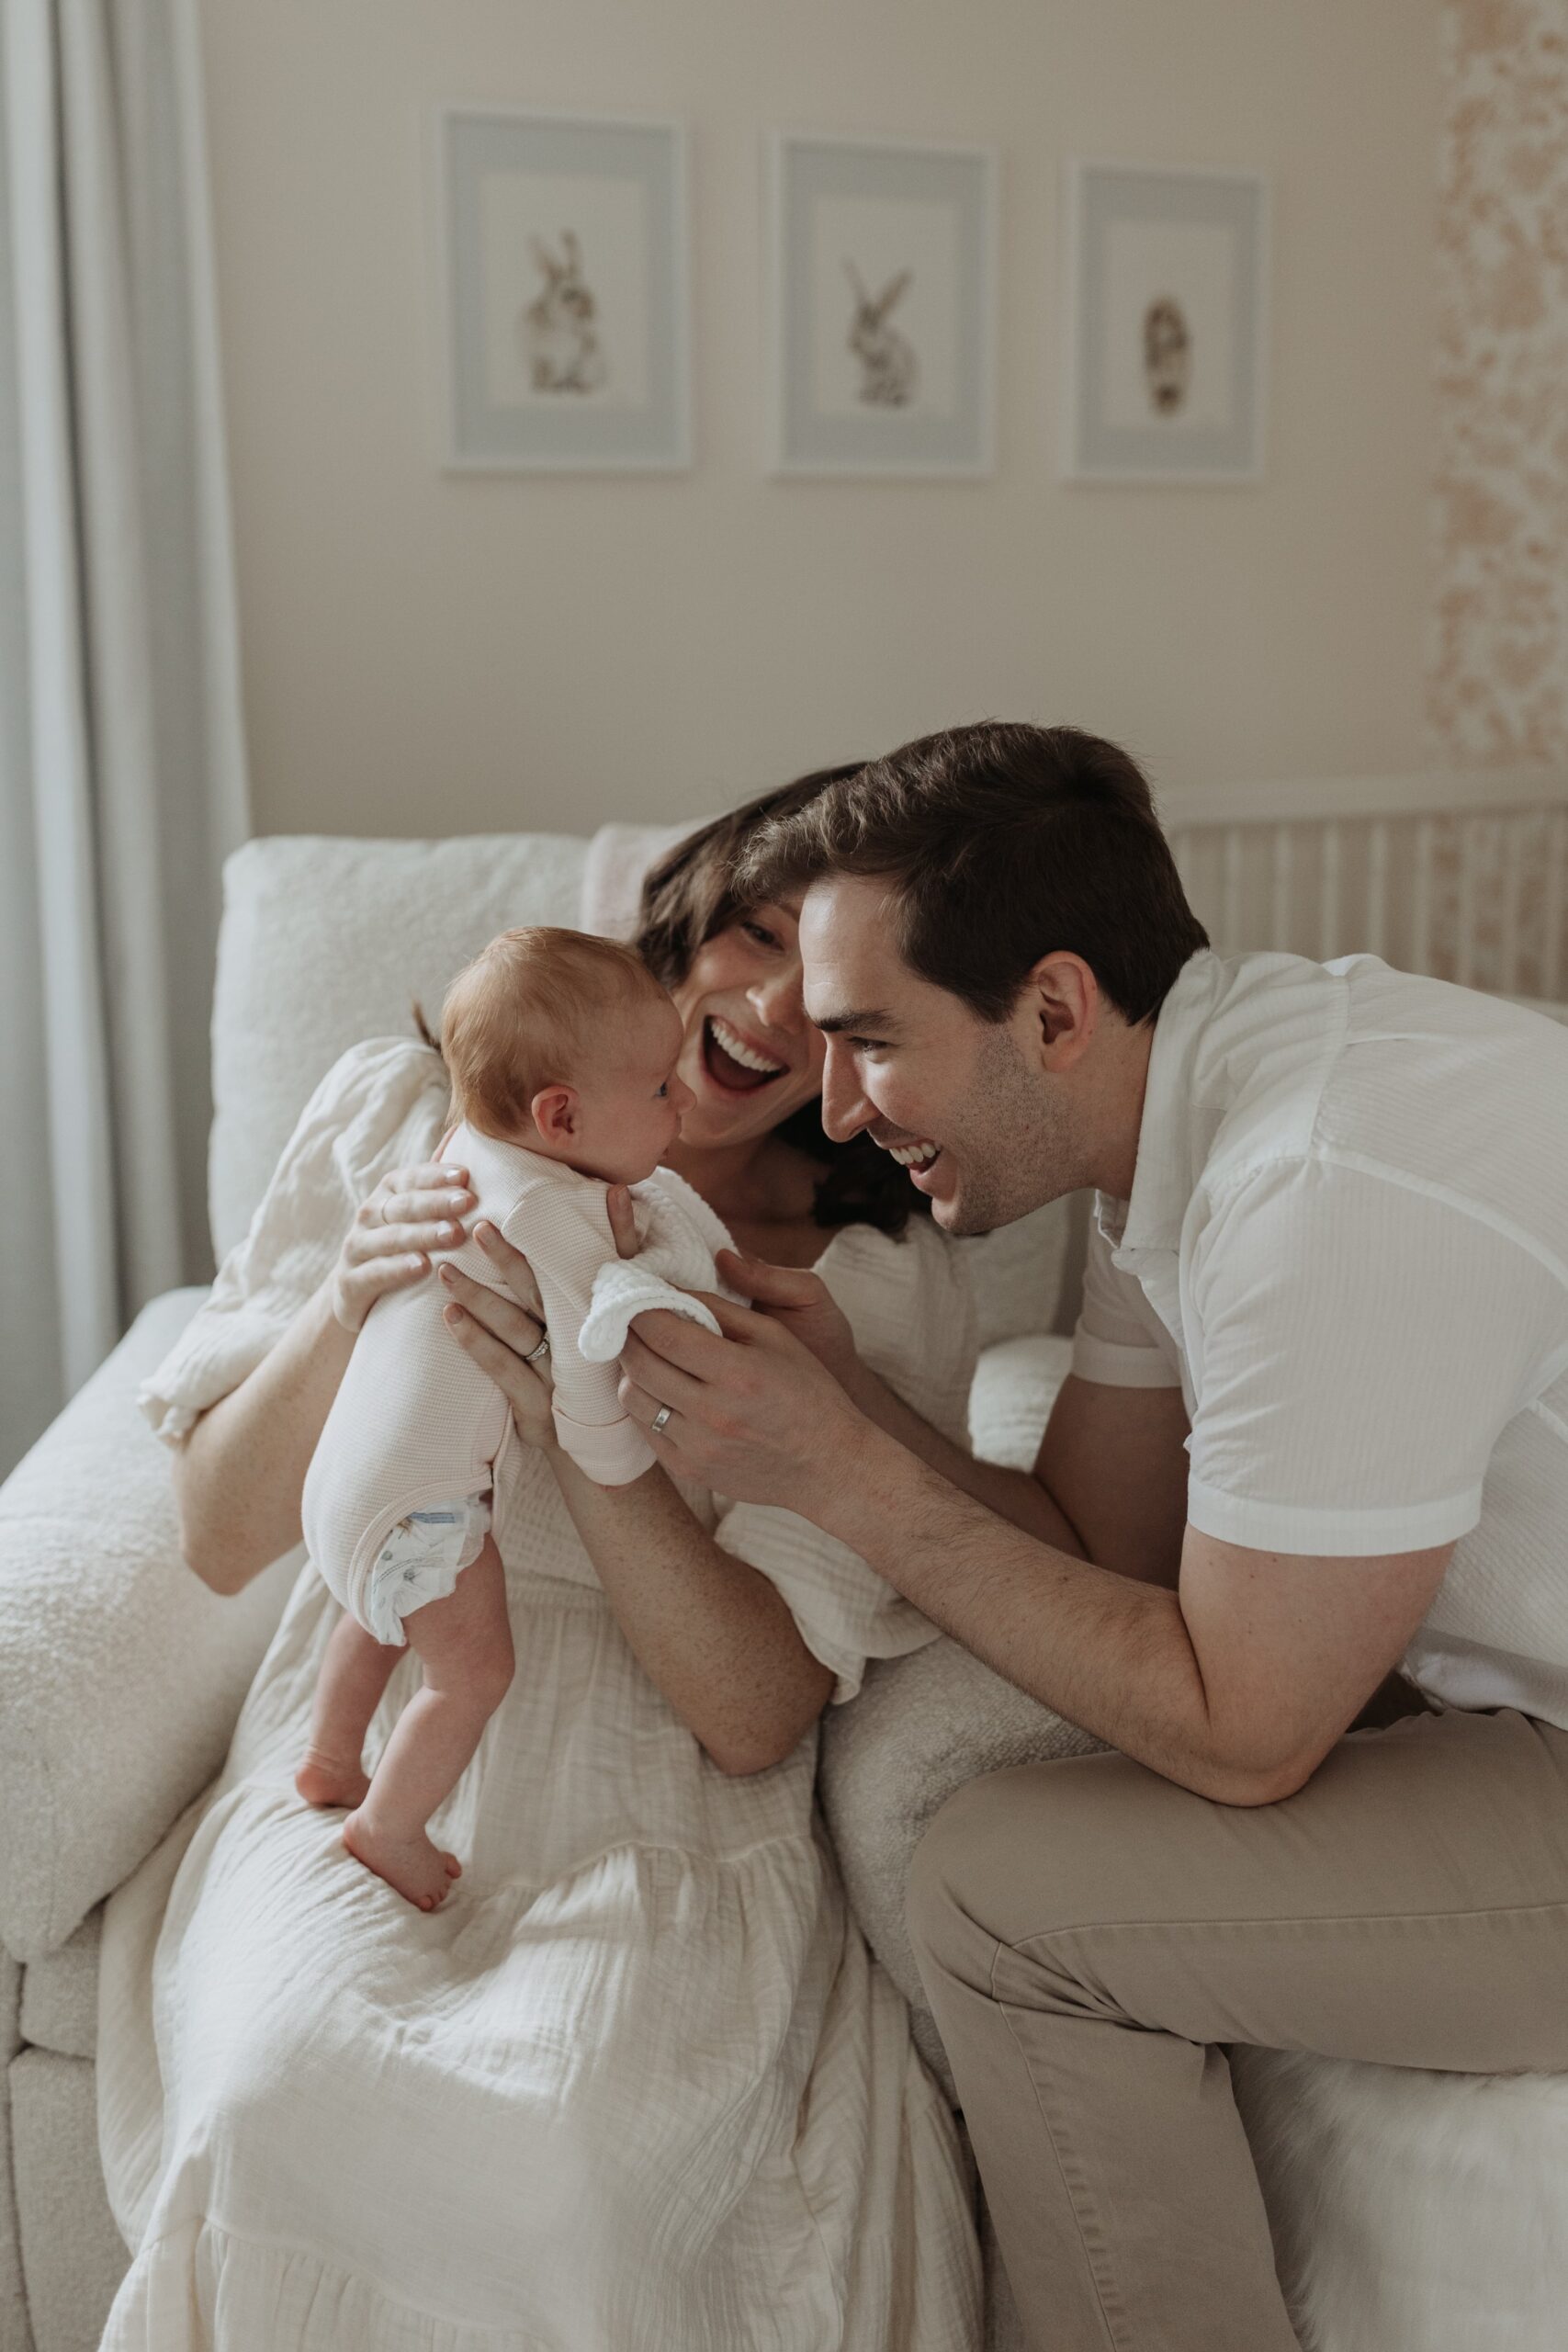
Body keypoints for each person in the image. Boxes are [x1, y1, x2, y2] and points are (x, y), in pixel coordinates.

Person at [617, 719, 1568, 2352]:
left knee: (1003, 1897)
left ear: (1050, 1008)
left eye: (868, 1040)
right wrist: (855, 1413)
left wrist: (840, 1478)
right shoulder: (1189, 1104)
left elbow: (1245, 1731)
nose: (835, 1112)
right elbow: (1101, 1541)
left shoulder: (1315, 1188)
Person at [96, 771, 984, 2350]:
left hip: (652, 1782)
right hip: (364, 1724)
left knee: (567, 2149)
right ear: (689, 912)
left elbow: (753, 1713)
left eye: (836, 986)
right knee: (281, 2083)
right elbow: (223, 1531)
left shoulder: (857, 1279)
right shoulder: (399, 1107)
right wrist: (347, 1302)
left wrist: (591, 1415)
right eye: (756, 937)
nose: (774, 1006)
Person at [298, 924, 733, 1910]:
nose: (684, 1103)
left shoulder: (463, 1146)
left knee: (375, 1611)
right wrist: (617, 1426)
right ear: (563, 1114)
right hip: (422, 1501)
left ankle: (330, 1755)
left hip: (342, 1486)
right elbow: (586, 1367)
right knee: (471, 1671)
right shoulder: (552, 1216)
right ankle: (388, 1827)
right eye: (662, 1089)